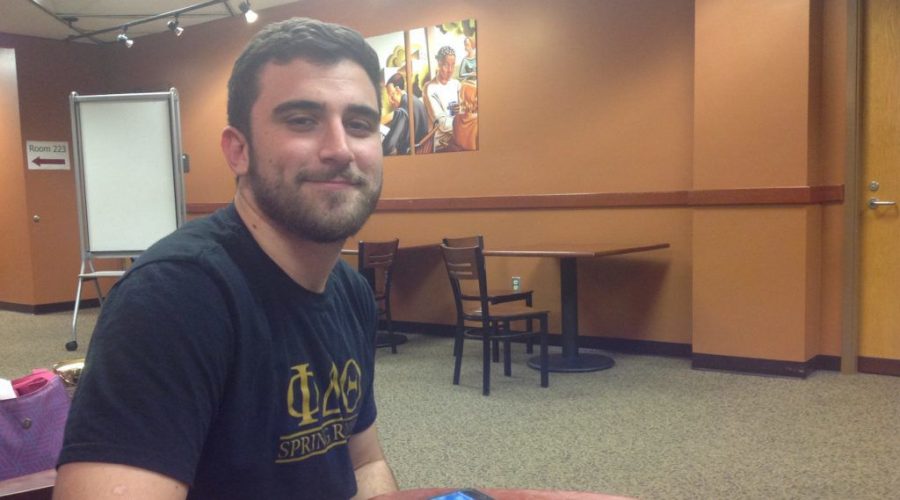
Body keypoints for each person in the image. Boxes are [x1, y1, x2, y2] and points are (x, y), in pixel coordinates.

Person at [54, 17, 399, 500]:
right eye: (302, 120)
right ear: (238, 151)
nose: (339, 148)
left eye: (359, 124)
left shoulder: (349, 291)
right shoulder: (173, 298)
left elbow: (365, 463)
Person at [423, 46, 461, 153]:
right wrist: (462, 121)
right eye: (446, 65)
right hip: (441, 143)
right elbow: (442, 124)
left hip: (458, 136)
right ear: (439, 64)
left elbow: (464, 111)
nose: (450, 70)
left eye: (453, 65)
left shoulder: (456, 84)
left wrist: (461, 111)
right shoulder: (430, 88)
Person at [381, 72, 429, 155]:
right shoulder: (415, 100)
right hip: (420, 149)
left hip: (409, 154)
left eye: (392, 95)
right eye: (388, 96)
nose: (390, 101)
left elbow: (388, 146)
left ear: (399, 90)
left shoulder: (401, 111)